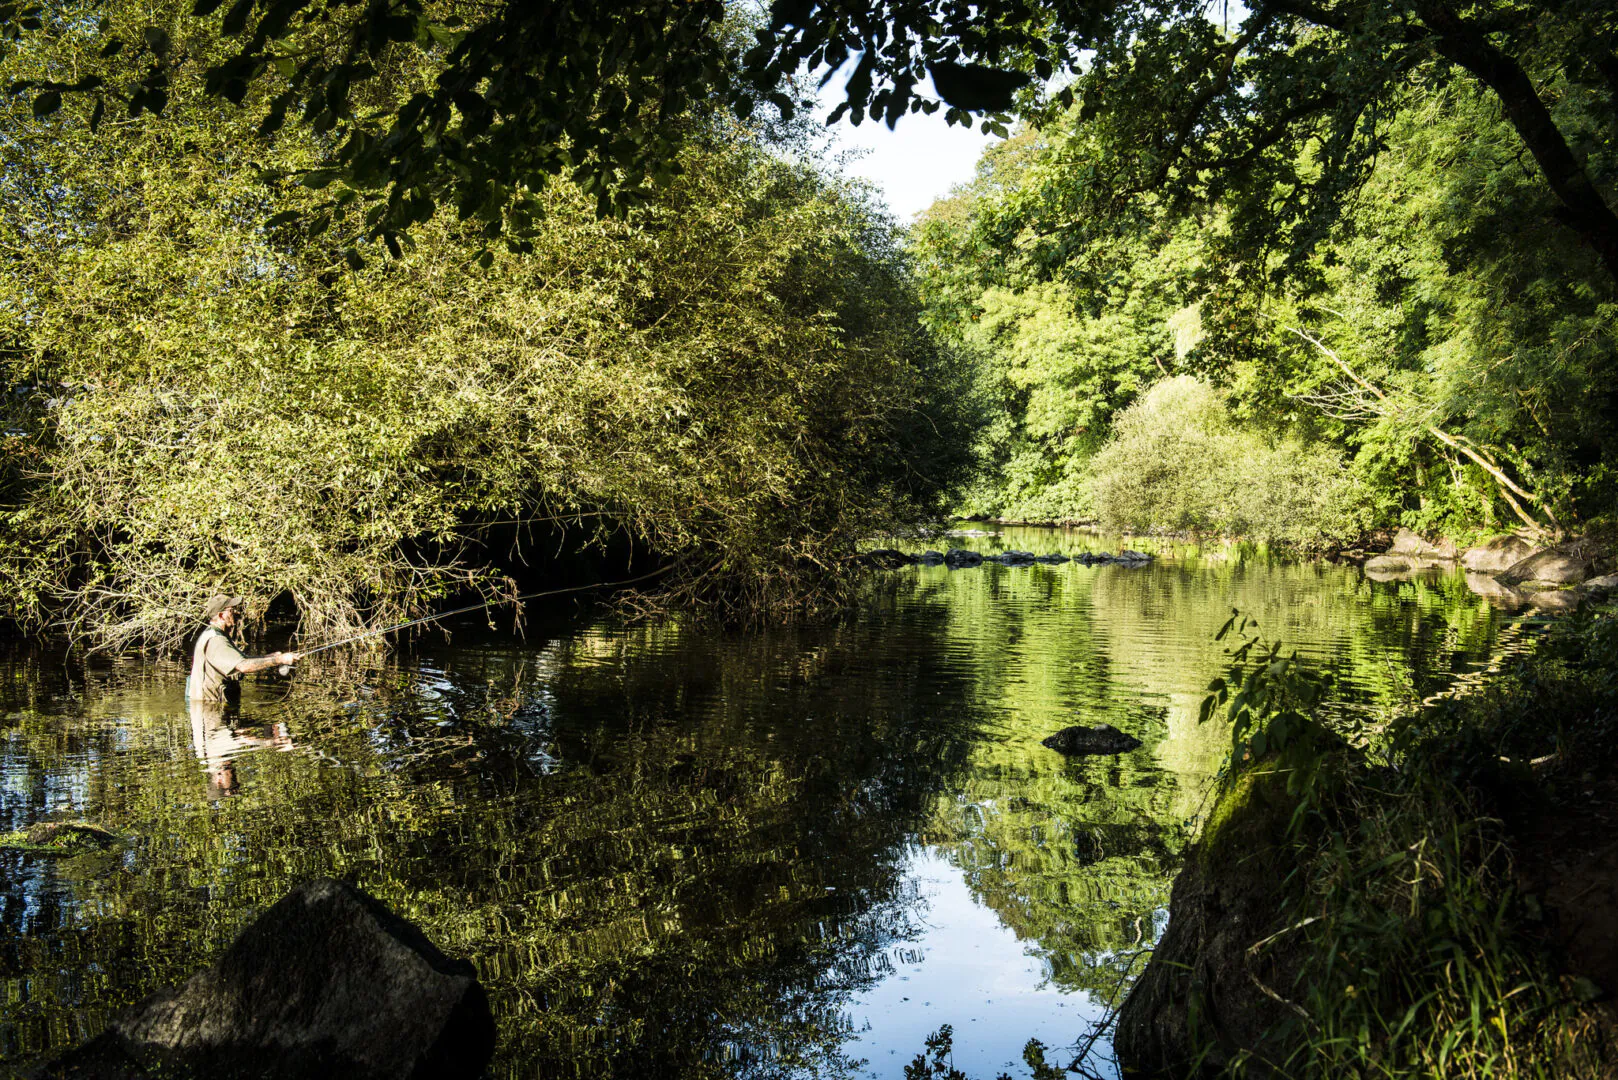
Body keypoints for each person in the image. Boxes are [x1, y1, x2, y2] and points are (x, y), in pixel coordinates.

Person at [186, 594, 301, 704]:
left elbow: (243, 659)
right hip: (211, 711)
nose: (237, 612)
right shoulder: (216, 641)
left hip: (212, 707)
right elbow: (243, 666)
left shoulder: (215, 634)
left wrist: (272, 657)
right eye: (231, 610)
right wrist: (279, 660)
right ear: (221, 615)